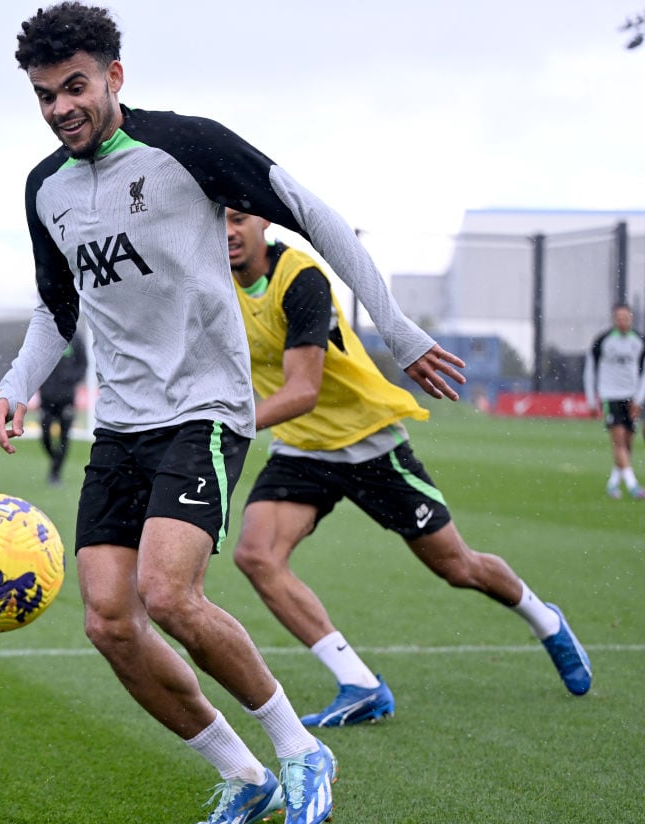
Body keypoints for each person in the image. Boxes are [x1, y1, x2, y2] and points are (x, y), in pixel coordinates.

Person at [0, 2, 464, 824]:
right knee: (108, 620)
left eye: (75, 86)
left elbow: (310, 211)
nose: (61, 107)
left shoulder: (187, 146)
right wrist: (16, 383)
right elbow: (57, 306)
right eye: (45, 95)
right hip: (121, 427)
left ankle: (301, 750)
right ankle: (242, 776)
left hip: (204, 408)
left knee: (169, 593)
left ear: (114, 77)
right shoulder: (45, 189)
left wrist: (396, 328)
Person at [224, 208, 593, 729]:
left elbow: (303, 390)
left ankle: (544, 619)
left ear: (264, 221)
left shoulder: (299, 278)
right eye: (219, 221)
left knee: (457, 567)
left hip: (369, 440)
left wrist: (225, 425)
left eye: (239, 218)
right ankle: (360, 685)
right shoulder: (214, 284)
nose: (228, 231)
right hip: (302, 447)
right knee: (256, 556)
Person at [583, 302, 645, 499]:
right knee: (618, 440)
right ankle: (633, 486)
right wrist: (591, 399)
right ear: (613, 319)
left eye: (626, 318)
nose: (622, 322)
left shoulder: (639, 341)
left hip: (632, 397)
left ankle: (613, 484)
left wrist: (638, 399)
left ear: (631, 319)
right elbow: (590, 371)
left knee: (627, 443)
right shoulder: (602, 341)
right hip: (610, 396)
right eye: (619, 318)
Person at [38, 331, 87, 485]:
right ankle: (55, 459)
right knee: (45, 435)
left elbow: (83, 364)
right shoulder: (45, 336)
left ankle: (55, 473)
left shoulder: (75, 339)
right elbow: (35, 362)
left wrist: (70, 379)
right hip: (47, 398)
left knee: (64, 436)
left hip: (66, 398)